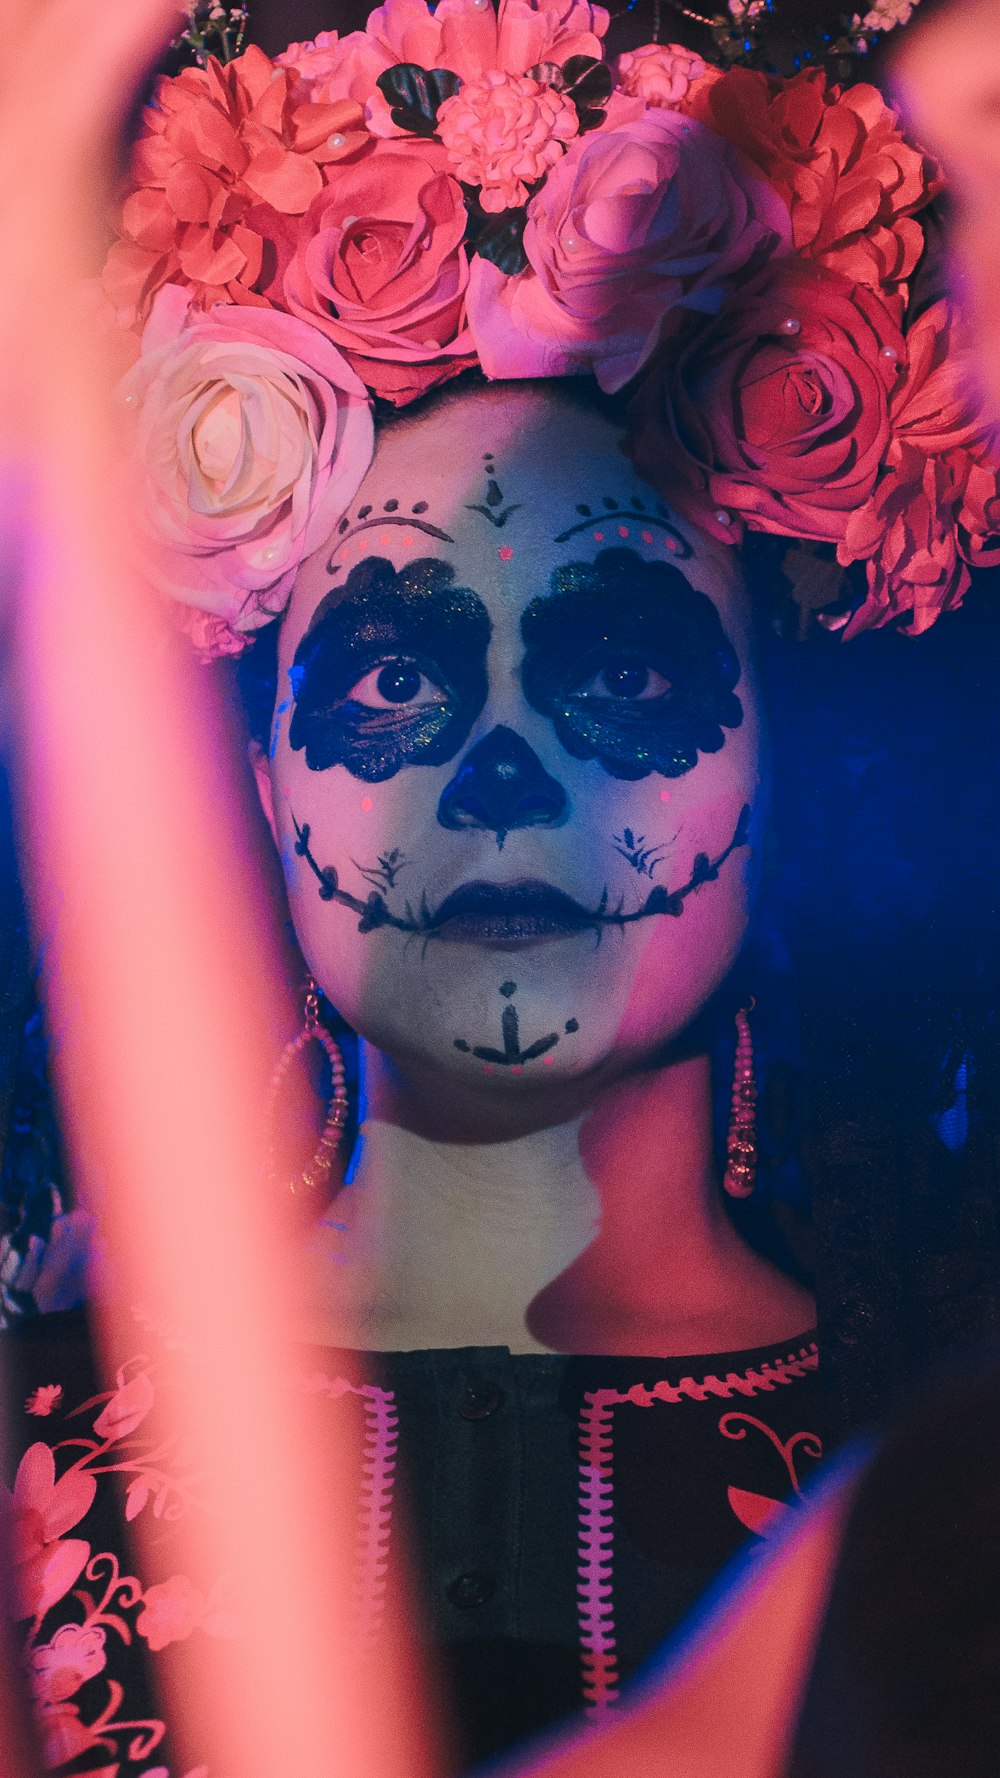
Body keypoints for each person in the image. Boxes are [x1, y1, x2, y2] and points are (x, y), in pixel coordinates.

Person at [3, 1, 1000, 1773]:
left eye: (620, 666)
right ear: (252, 766)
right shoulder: (26, 1439)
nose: (504, 769)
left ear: (781, 760)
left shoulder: (949, 1466)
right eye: (393, 673)